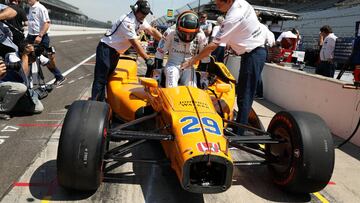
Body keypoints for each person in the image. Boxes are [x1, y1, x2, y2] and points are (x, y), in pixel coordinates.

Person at [181, 0, 268, 136]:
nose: (217, 5)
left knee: (245, 95)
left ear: (228, 1)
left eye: (219, 3)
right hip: (253, 53)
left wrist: (192, 61)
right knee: (242, 94)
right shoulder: (242, 3)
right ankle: (240, 126)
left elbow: (213, 45)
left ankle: (239, 133)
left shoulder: (233, 17)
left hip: (254, 54)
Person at [90, 0, 162, 101]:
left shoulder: (139, 19)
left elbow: (152, 31)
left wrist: (165, 41)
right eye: (143, 13)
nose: (144, 16)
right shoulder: (127, 21)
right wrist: (147, 59)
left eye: (146, 14)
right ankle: (95, 105)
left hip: (115, 52)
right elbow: (135, 43)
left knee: (108, 78)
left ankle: (102, 101)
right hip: (106, 49)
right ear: (136, 10)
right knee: (101, 80)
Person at [154, 11, 207, 88]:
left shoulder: (201, 35)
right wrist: (157, 75)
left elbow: (205, 57)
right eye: (185, 33)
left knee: (193, 89)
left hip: (189, 66)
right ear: (178, 28)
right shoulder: (170, 32)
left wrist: (204, 78)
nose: (187, 37)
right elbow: (160, 53)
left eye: (191, 34)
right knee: (171, 87)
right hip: (172, 65)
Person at [0, 41, 43, 120]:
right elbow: (24, 74)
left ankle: (10, 104)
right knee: (21, 88)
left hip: (15, 89)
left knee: (38, 108)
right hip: (4, 86)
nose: (34, 56)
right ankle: (2, 110)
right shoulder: (12, 57)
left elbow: (46, 60)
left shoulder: (32, 58)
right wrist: (25, 55)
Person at [26, 0, 65, 86]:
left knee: (39, 58)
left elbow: (47, 23)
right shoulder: (31, 8)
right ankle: (28, 80)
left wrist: (40, 36)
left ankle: (59, 76)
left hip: (41, 37)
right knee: (25, 55)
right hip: (31, 36)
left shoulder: (41, 8)